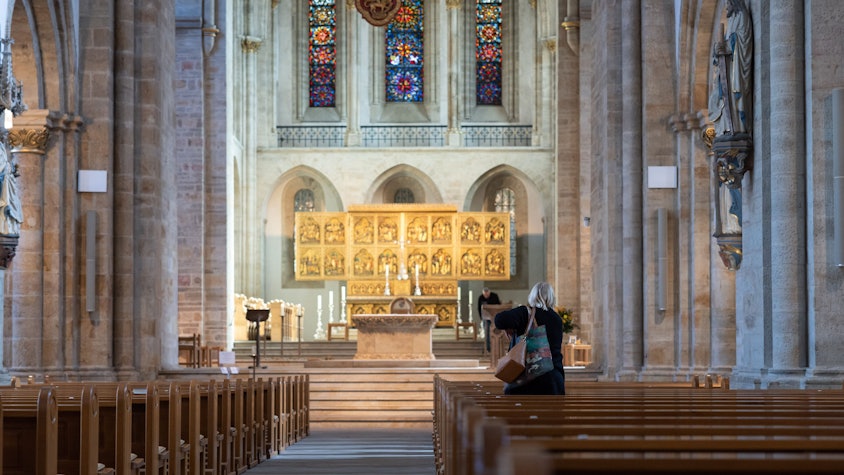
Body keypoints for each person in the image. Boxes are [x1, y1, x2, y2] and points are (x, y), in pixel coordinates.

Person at [494, 282, 565, 395]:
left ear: (532, 296)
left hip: (525, 381)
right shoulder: (557, 319)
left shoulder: (525, 312)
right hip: (553, 381)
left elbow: (499, 320)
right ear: (551, 297)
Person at [478, 287, 500, 352]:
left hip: (495, 317)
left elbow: (498, 306)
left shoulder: (494, 296)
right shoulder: (480, 297)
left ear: (489, 292)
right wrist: (481, 318)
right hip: (486, 317)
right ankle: (488, 348)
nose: (486, 296)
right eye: (485, 295)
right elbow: (479, 308)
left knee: (496, 332)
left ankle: (496, 347)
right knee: (487, 333)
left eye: (487, 294)